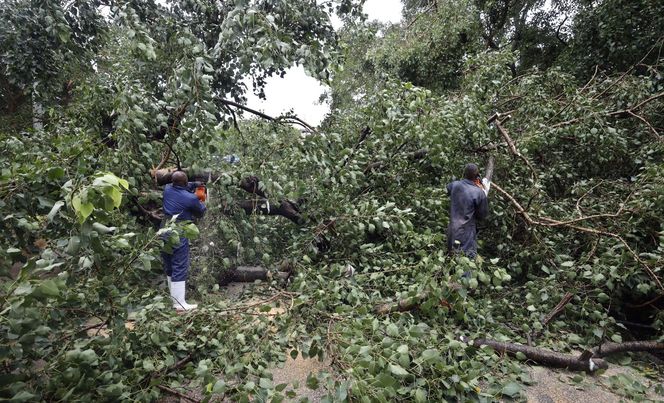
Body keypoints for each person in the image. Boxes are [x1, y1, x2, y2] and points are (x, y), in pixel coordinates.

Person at [161, 171, 206, 311]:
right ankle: (179, 304)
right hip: (178, 231)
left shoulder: (167, 189)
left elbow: (182, 186)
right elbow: (201, 212)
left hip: (164, 229)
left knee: (169, 264)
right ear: (185, 183)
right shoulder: (191, 199)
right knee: (179, 264)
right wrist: (202, 200)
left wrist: (195, 185)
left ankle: (173, 299)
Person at [446, 163, 490, 258]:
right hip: (466, 234)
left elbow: (448, 189)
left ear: (464, 174)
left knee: (452, 261)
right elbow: (482, 215)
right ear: (477, 176)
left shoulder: (455, 185)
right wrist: (484, 193)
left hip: (452, 231)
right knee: (466, 264)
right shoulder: (478, 193)